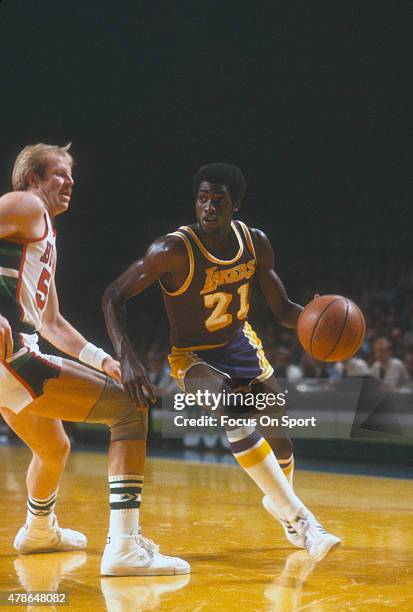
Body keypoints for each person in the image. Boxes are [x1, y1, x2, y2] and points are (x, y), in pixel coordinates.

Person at [102, 162, 340, 561]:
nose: (208, 207)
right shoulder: (172, 250)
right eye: (202, 198)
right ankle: (301, 520)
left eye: (218, 199)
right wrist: (126, 356)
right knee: (232, 410)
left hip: (240, 343)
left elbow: (282, 309)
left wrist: (318, 322)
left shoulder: (256, 243)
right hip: (193, 355)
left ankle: (280, 505)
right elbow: (113, 294)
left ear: (236, 205)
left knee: (280, 437)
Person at [0, 143, 188, 576]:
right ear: (32, 179)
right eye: (59, 174)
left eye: (71, 175)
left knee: (53, 447)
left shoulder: (42, 232)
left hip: (18, 352)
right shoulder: (25, 204)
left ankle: (39, 529)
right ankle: (124, 547)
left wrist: (106, 361)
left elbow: (52, 322)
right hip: (12, 355)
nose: (70, 182)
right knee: (127, 408)